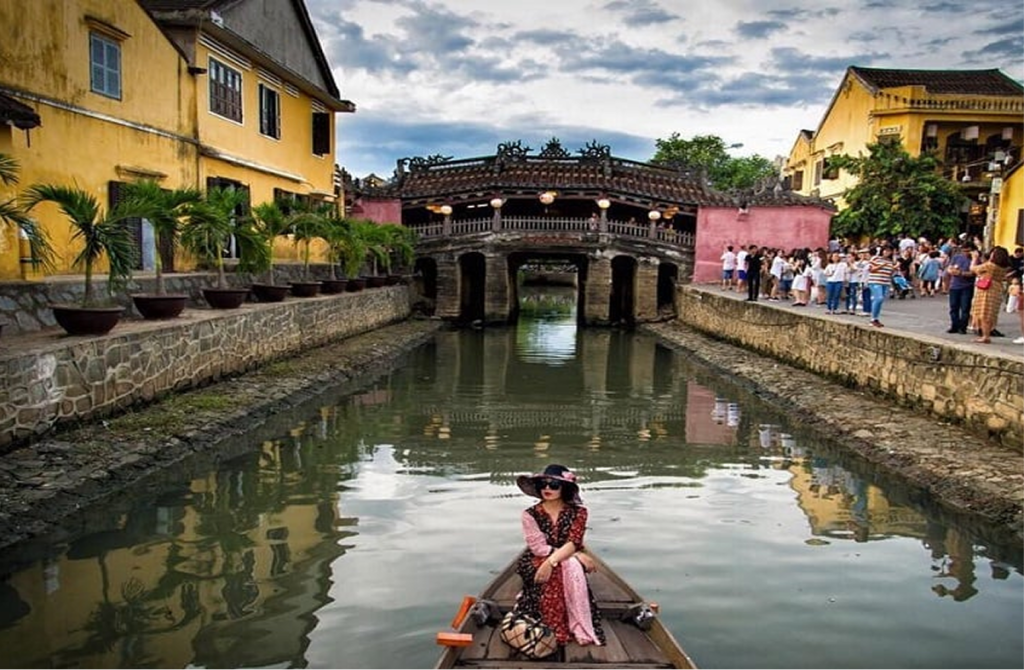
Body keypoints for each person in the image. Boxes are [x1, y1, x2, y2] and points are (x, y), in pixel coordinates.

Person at [514, 464, 604, 647]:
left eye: (554, 484)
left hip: (563, 555)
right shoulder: (529, 515)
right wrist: (575, 556)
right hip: (537, 558)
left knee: (561, 569)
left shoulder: (579, 512)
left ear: (564, 488)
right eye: (544, 484)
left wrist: (553, 561)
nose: (547, 488)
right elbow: (538, 548)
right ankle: (554, 626)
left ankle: (573, 623)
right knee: (557, 571)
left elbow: (574, 541)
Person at [969, 246, 1010, 343]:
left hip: (987, 290)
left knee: (984, 313)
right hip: (997, 289)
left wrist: (974, 258)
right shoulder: (1003, 267)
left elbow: (973, 269)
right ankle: (986, 333)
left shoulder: (990, 266)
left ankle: (985, 336)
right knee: (991, 313)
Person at [946, 243, 975, 334]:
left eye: (968, 251)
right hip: (954, 285)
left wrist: (960, 273)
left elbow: (973, 273)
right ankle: (954, 325)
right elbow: (949, 268)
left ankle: (963, 327)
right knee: (953, 307)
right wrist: (951, 271)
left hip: (967, 286)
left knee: (965, 308)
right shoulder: (956, 257)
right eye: (964, 251)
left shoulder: (974, 259)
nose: (966, 253)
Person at [867, 245, 896, 327]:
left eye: (889, 251)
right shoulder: (875, 258)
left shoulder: (890, 261)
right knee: (878, 298)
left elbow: (890, 272)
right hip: (875, 281)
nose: (887, 253)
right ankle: (873, 319)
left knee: (880, 300)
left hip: (885, 282)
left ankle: (876, 318)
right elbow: (872, 269)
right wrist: (882, 265)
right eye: (885, 251)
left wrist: (894, 268)